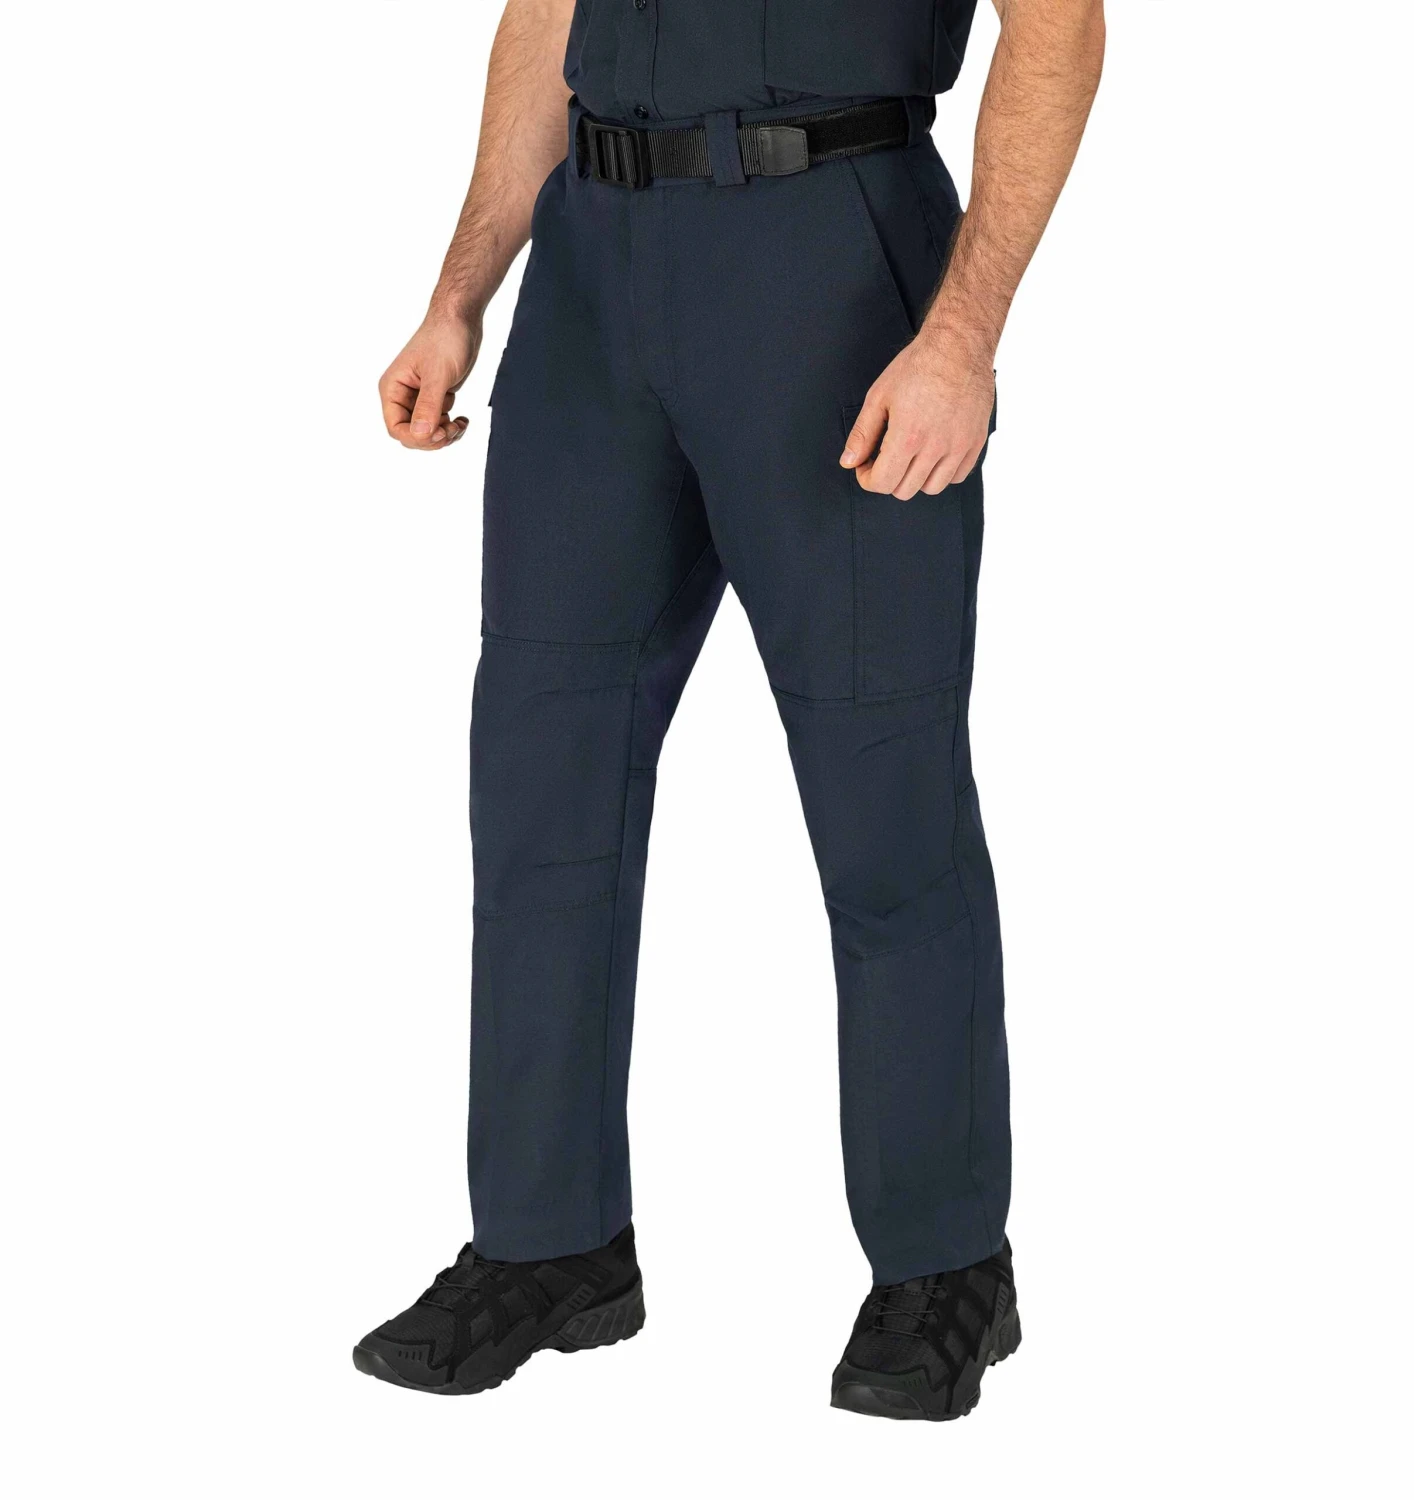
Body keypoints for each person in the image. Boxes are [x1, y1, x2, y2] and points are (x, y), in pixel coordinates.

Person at [355, 0, 1103, 1420]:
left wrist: (960, 339)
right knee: (541, 781)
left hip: (833, 262)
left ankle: (947, 1267)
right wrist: (460, 295)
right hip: (591, 274)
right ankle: (550, 1239)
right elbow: (548, 12)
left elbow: (1059, 27)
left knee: (884, 795)